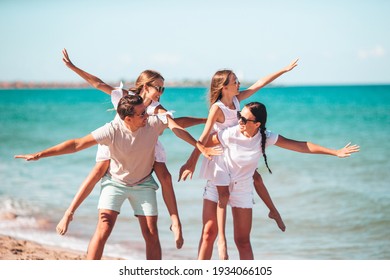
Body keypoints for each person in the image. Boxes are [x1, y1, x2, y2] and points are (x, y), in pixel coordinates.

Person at [15, 97, 221, 260]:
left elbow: (177, 125)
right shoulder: (111, 131)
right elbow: (77, 144)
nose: (146, 116)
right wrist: (41, 154)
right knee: (104, 228)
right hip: (115, 183)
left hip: (143, 184)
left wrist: (200, 140)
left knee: (151, 233)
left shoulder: (152, 124)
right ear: (127, 118)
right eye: (141, 113)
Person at [56, 49, 206, 250]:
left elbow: (176, 124)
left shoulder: (157, 108)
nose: (160, 93)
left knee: (165, 176)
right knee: (98, 171)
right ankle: (70, 212)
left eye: (163, 89)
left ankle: (175, 222)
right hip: (116, 142)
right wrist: (74, 67)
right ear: (146, 86)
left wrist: (206, 122)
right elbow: (98, 83)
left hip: (145, 144)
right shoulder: (125, 97)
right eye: (158, 88)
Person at [202, 101, 360, 259]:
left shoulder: (265, 137)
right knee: (209, 233)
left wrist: (335, 152)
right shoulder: (230, 133)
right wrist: (195, 160)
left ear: (257, 124)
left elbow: (301, 146)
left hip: (242, 188)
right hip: (219, 182)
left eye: (244, 119)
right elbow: (204, 143)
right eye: (239, 116)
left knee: (243, 241)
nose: (239, 121)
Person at [179, 59, 298, 259]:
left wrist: (283, 70)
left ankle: (273, 212)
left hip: (238, 154)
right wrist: (191, 161)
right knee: (209, 231)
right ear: (224, 87)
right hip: (220, 159)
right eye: (235, 81)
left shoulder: (236, 101)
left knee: (256, 178)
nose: (238, 84)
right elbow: (204, 137)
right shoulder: (216, 109)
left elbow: (259, 84)